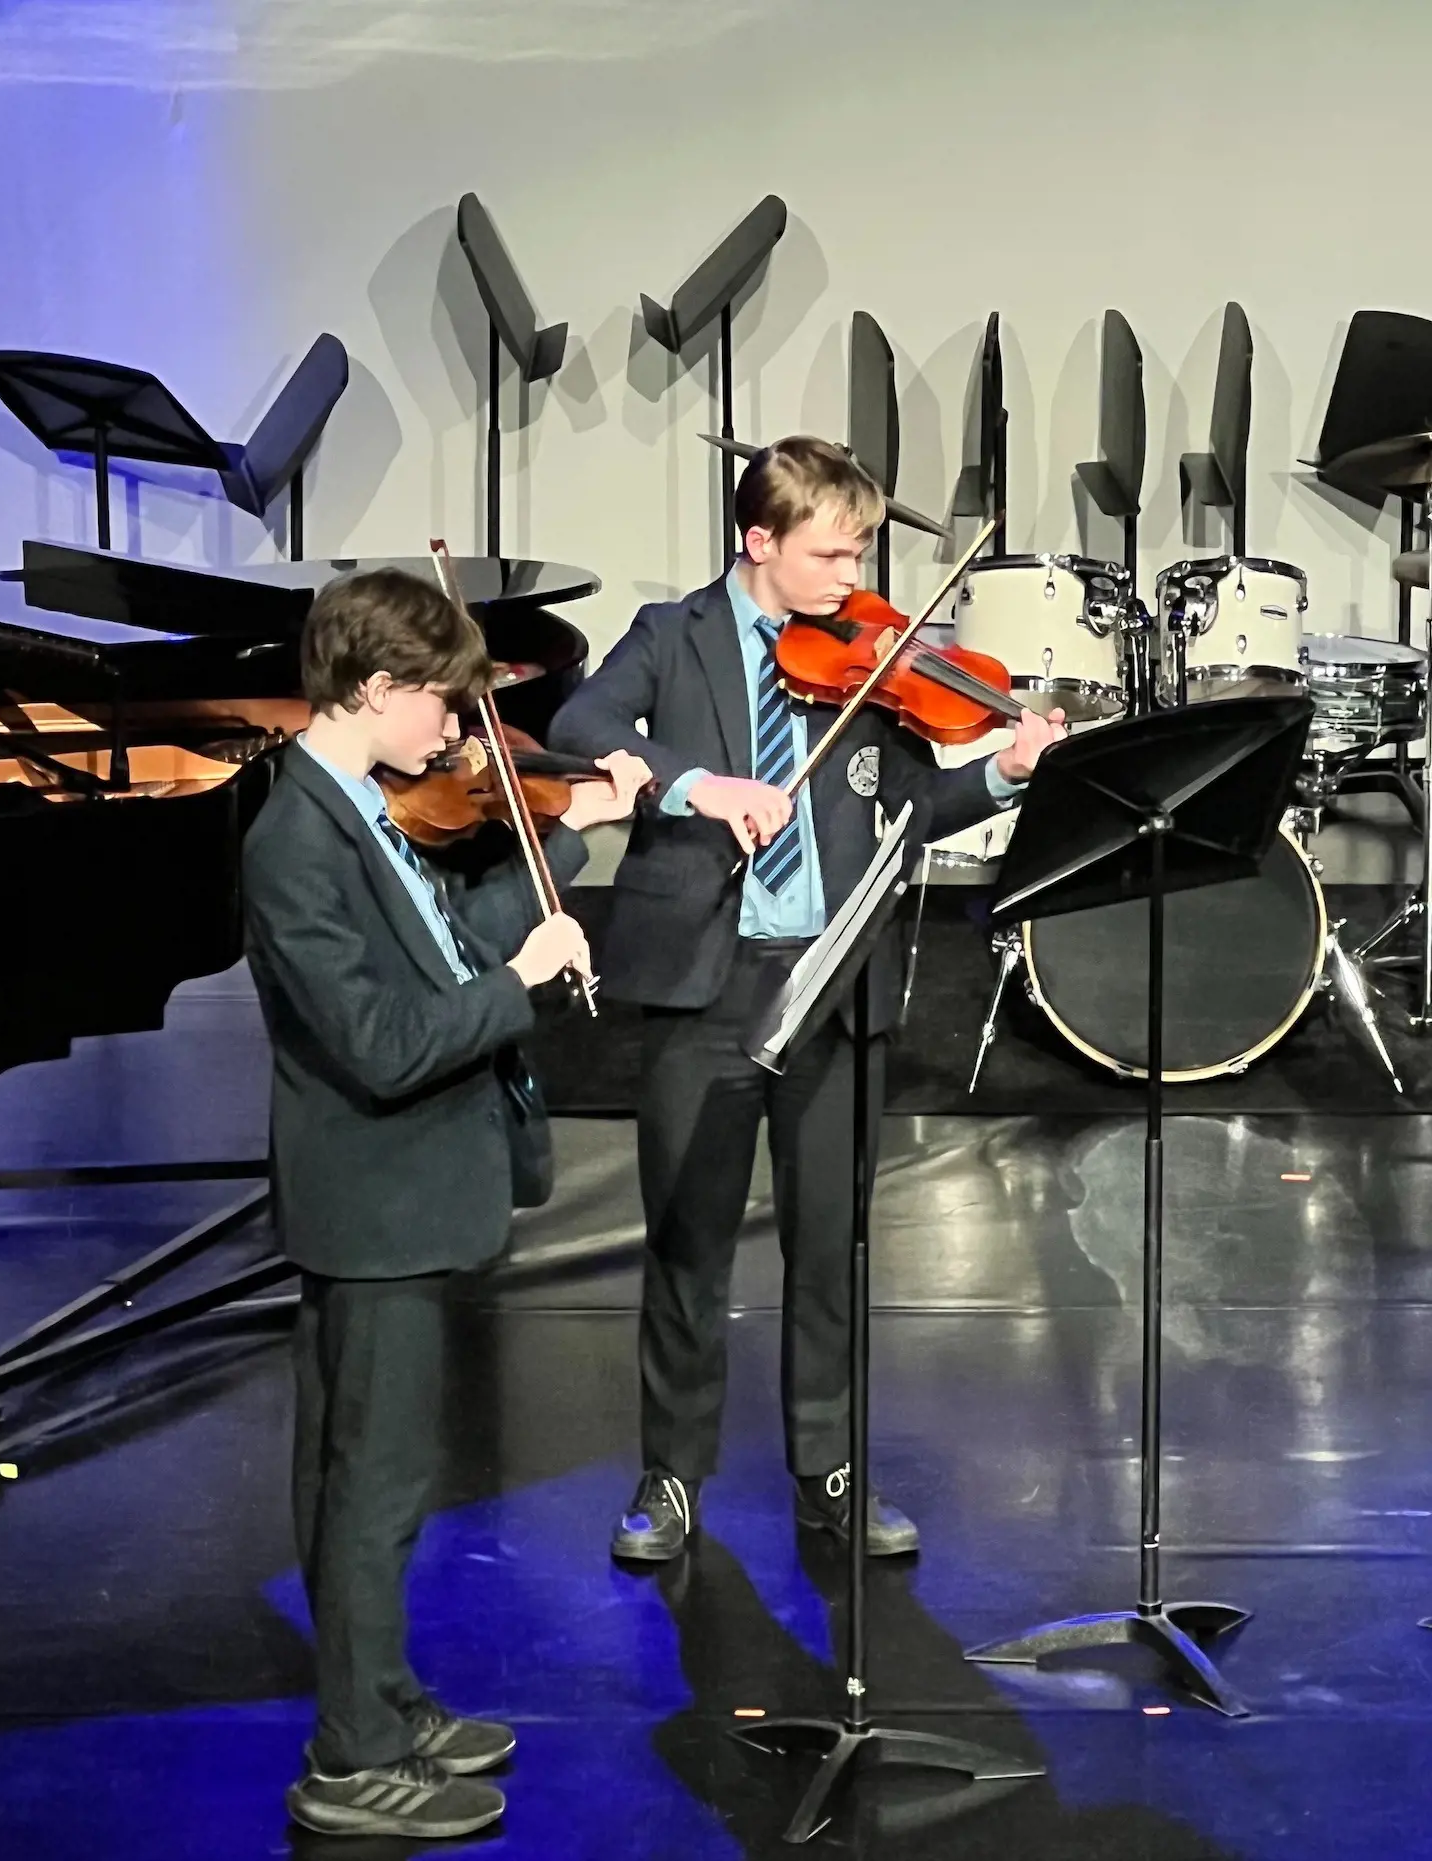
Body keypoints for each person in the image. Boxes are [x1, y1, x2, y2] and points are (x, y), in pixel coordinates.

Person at [547, 436, 1064, 1564]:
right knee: (688, 1243)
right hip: (708, 982)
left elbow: (917, 803)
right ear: (759, 542)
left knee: (832, 1247)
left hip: (837, 983)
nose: (854, 576)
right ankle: (671, 1476)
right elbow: (578, 726)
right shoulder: (669, 638)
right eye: (831, 553)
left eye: (864, 549)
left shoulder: (865, 655)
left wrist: (1004, 771)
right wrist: (696, 783)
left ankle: (829, 1472)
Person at [242, 565, 649, 1840]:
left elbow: (446, 920)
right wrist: (522, 981)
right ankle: (349, 1759)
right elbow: (376, 1039)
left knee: (378, 1478)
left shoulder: (361, 801)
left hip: (410, 1196)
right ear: (373, 691)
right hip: (375, 1206)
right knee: (370, 1484)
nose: (461, 733)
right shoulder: (295, 837)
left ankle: (384, 1697)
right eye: (441, 702)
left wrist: (563, 849)